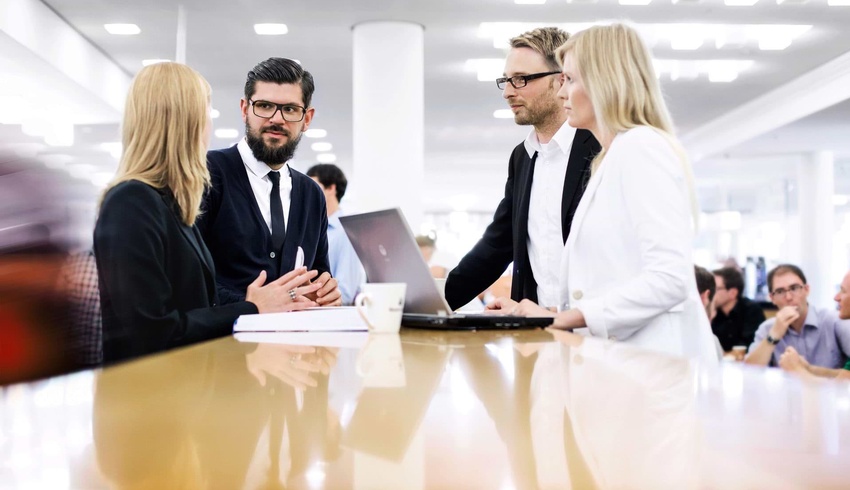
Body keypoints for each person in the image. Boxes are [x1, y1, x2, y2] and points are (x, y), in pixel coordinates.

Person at [500, 24, 717, 364]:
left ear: (605, 82)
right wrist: (550, 312)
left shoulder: (642, 148)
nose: (561, 94)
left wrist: (570, 317)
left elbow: (670, 278)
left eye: (569, 80)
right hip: (623, 366)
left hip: (654, 366)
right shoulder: (610, 158)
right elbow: (611, 280)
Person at [94, 63, 320, 364]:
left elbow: (195, 305)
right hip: (148, 398)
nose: (208, 127)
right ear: (186, 123)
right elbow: (152, 332)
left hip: (189, 386)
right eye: (206, 114)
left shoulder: (168, 204)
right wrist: (250, 308)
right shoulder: (132, 202)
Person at [445, 27, 600, 311]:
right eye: (506, 80)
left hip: (593, 331)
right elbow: (497, 245)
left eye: (520, 80)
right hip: (537, 335)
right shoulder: (523, 157)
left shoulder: (600, 147)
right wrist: (438, 302)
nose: (507, 92)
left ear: (560, 80)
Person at [199, 58, 341, 307]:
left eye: (290, 109)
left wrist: (323, 294)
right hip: (222, 342)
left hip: (292, 343)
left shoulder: (311, 194)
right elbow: (187, 279)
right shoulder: (206, 173)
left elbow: (317, 276)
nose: (276, 119)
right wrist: (249, 304)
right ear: (245, 109)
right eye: (264, 106)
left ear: (306, 119)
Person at [745, 264, 850, 368]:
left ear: (806, 290)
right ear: (772, 298)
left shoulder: (834, 321)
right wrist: (774, 335)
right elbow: (750, 371)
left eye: (794, 288)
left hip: (829, 385)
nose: (789, 297)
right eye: (780, 291)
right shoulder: (768, 328)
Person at [305, 164, 365, 305]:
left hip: (328, 314)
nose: (308, 193)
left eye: (313, 186)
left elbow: (345, 293)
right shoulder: (311, 229)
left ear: (331, 188)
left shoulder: (346, 232)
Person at [711, 267, 765, 352]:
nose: (711, 293)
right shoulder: (713, 312)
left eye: (715, 289)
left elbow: (749, 345)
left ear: (733, 293)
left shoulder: (751, 310)